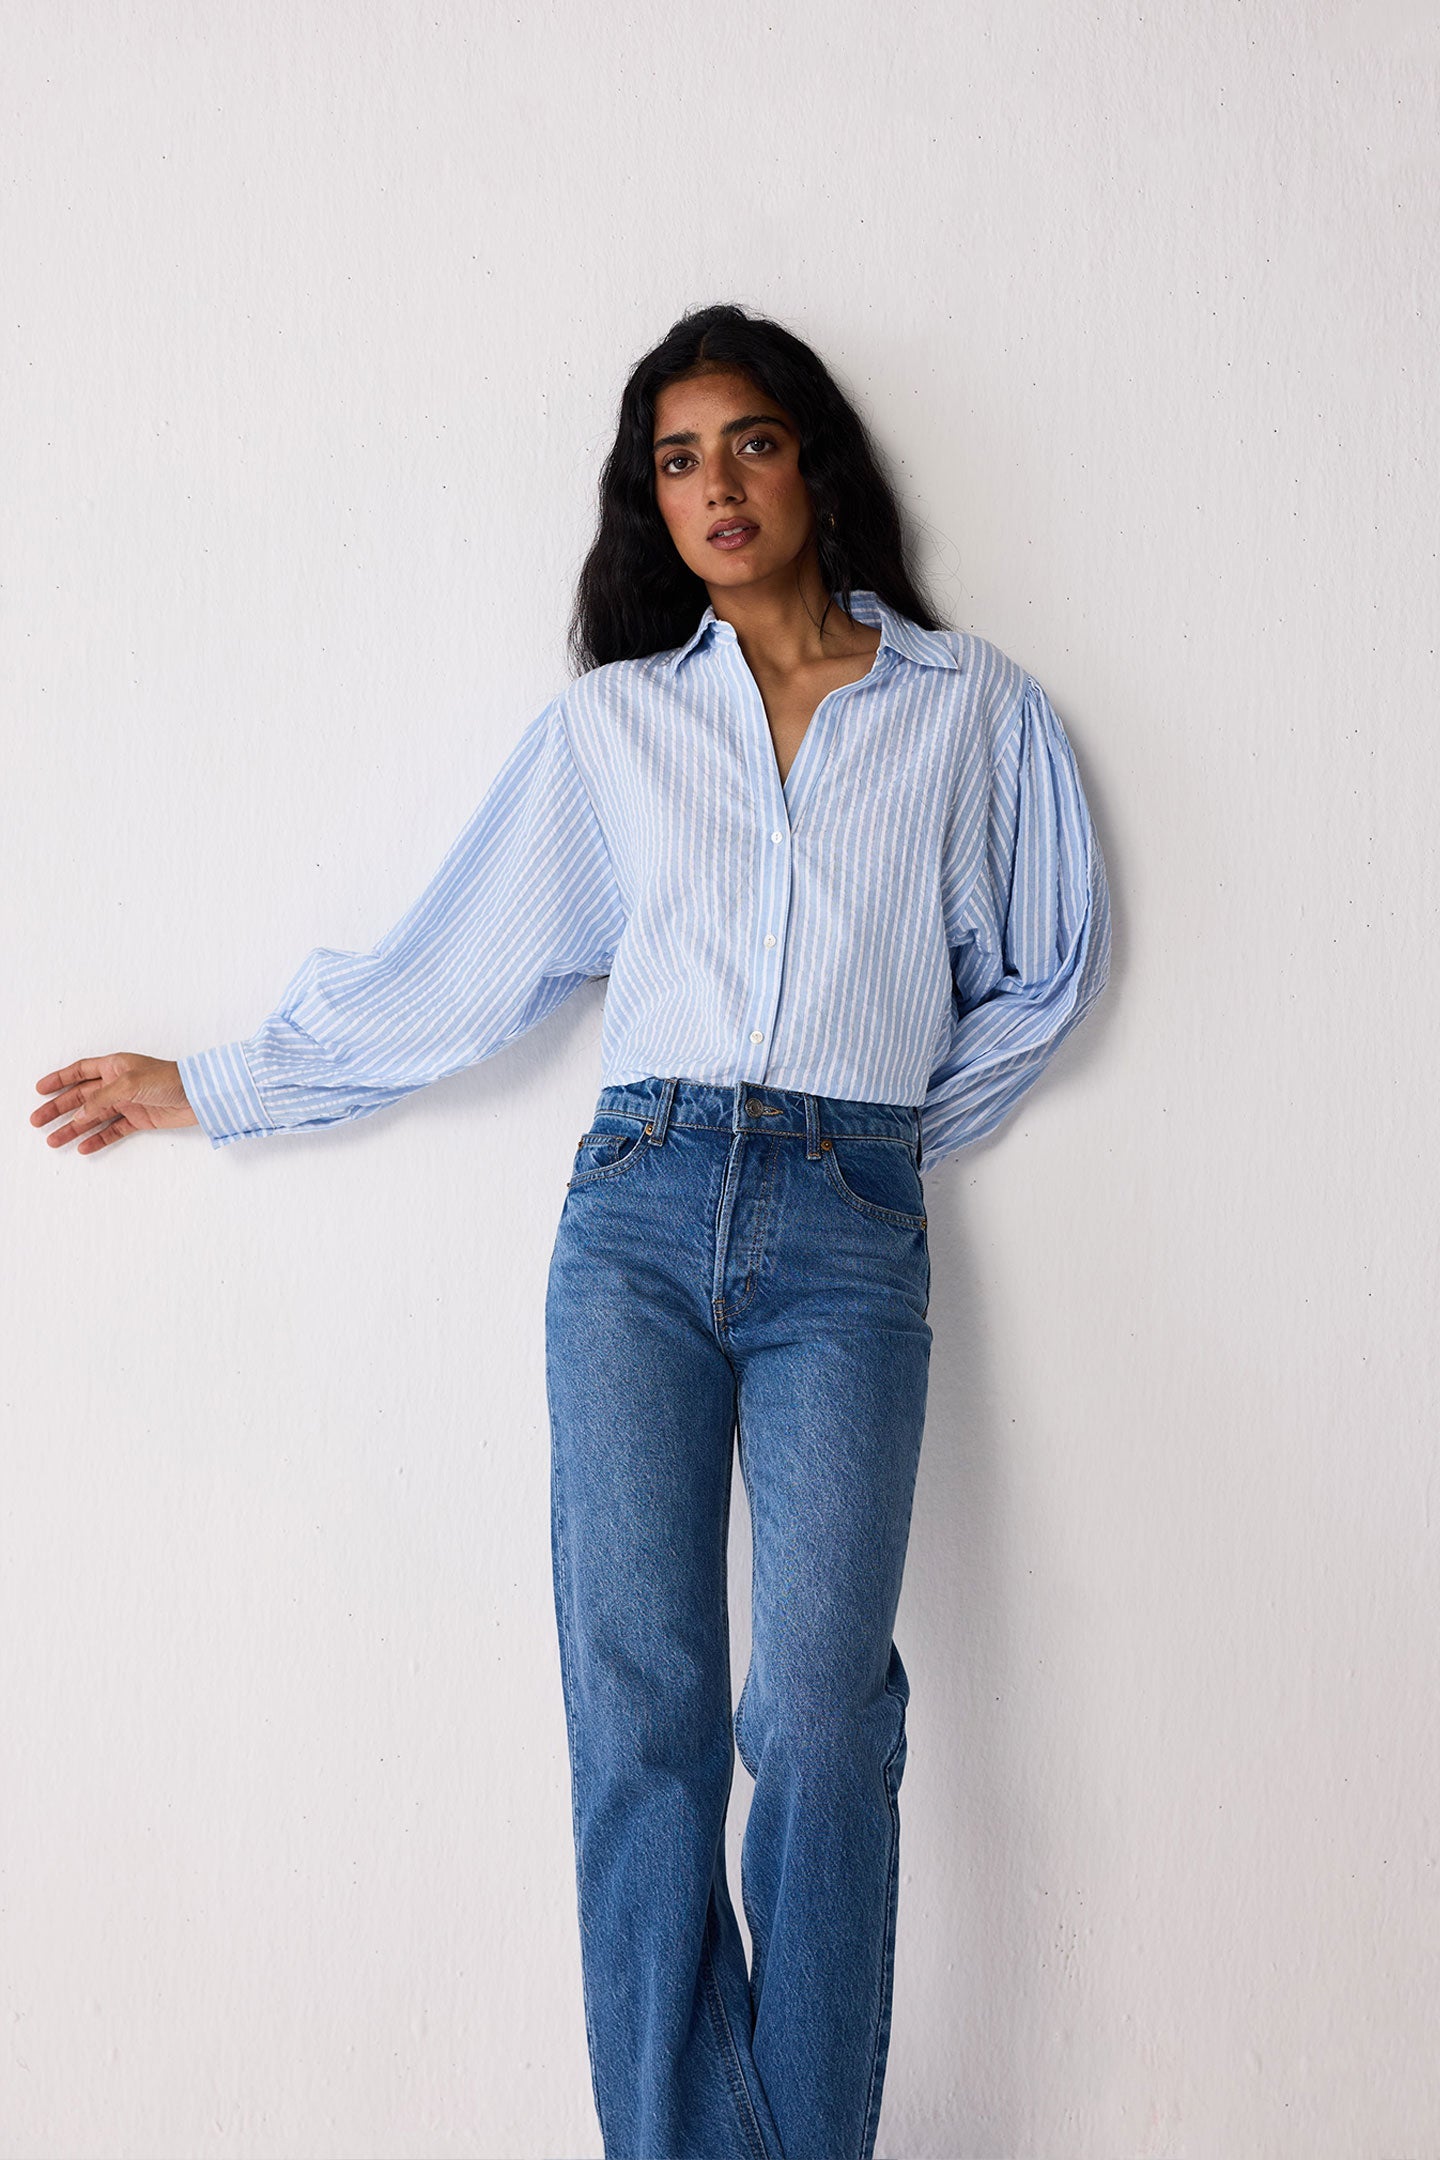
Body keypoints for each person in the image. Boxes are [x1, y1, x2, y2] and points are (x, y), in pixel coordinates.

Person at [30, 302, 1112, 2160]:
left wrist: (870, 1145)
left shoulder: (970, 710)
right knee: (642, 1717)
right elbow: (452, 971)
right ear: (651, 503)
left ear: (813, 462)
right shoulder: (616, 730)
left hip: (850, 1239)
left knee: (822, 1717)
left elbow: (1048, 964)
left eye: (749, 441)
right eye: (678, 460)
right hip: (635, 1224)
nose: (718, 485)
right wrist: (210, 1082)